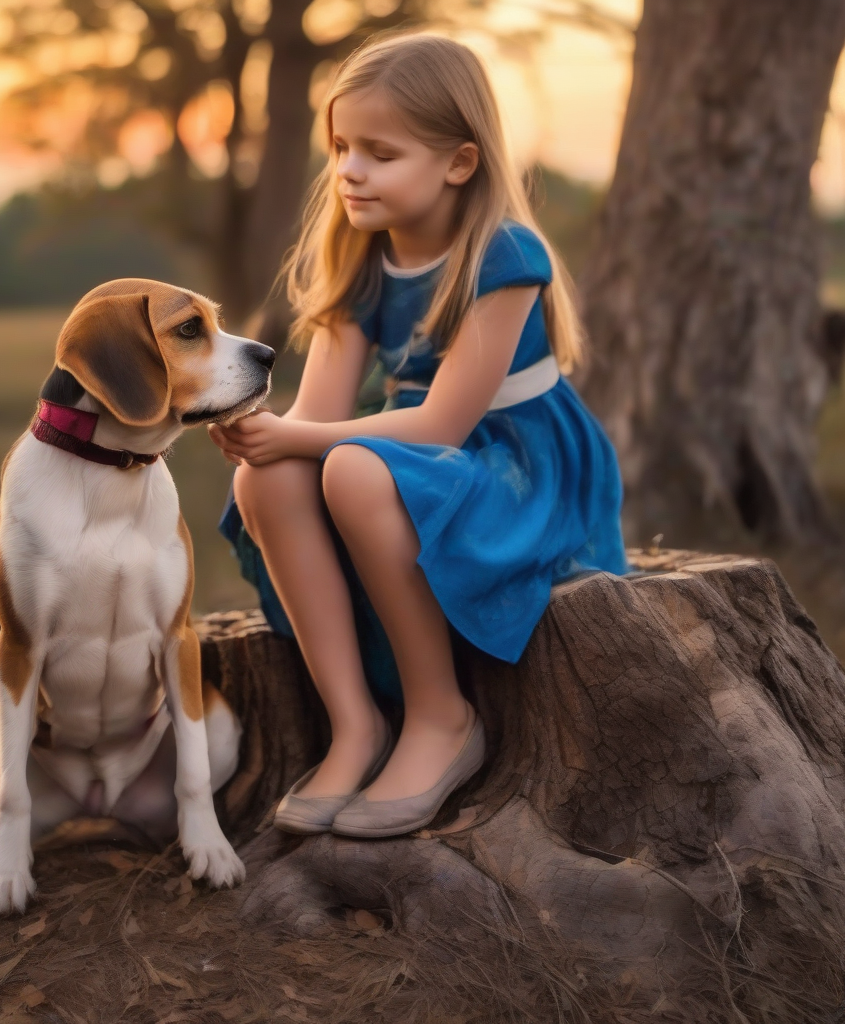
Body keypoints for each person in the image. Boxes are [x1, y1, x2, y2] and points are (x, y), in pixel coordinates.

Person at [208, 32, 627, 839]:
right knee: (269, 478)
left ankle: (442, 716)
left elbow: (443, 423)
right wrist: (266, 438)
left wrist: (307, 441)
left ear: (459, 162)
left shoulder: (506, 253)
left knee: (354, 470)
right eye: (340, 148)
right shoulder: (360, 257)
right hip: (419, 455)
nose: (349, 171)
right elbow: (319, 414)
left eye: (380, 153)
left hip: (518, 462)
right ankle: (356, 725)